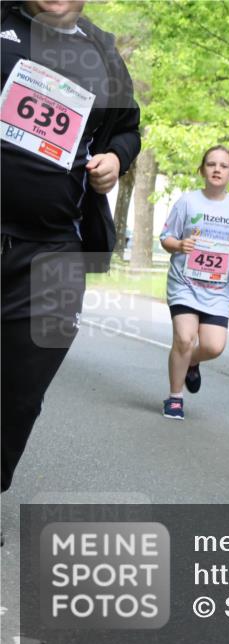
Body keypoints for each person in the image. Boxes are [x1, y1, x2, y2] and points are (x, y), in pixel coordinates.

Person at [1, 0, 141, 497]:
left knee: (21, 394)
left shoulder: (102, 52)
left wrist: (115, 158)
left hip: (55, 251)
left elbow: (127, 129)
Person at [159, 146, 229, 419]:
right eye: (211, 164)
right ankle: (175, 398)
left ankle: (191, 362)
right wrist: (179, 245)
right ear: (202, 170)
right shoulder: (187, 202)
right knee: (184, 338)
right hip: (185, 284)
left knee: (213, 346)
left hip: (217, 290)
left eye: (223, 166)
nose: (217, 169)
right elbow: (166, 238)